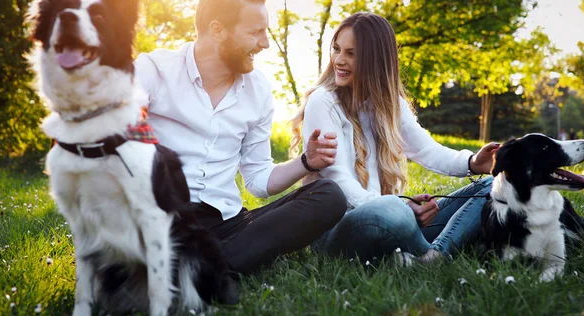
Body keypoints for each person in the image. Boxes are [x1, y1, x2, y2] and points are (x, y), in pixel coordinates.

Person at [134, 0, 347, 274]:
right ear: (218, 30)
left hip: (225, 224)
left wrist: (306, 161)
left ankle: (199, 270)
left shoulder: (258, 90)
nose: (265, 43)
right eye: (255, 32)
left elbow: (258, 180)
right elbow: (118, 108)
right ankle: (213, 266)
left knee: (329, 196)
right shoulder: (155, 68)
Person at [290, 12, 499, 264]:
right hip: (335, 231)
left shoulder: (391, 105)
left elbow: (428, 151)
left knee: (491, 188)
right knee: (392, 211)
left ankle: (431, 257)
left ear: (375, 60)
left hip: (387, 218)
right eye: (337, 49)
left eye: (351, 54)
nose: (339, 60)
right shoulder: (323, 101)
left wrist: (474, 163)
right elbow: (339, 181)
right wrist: (402, 208)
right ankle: (433, 252)